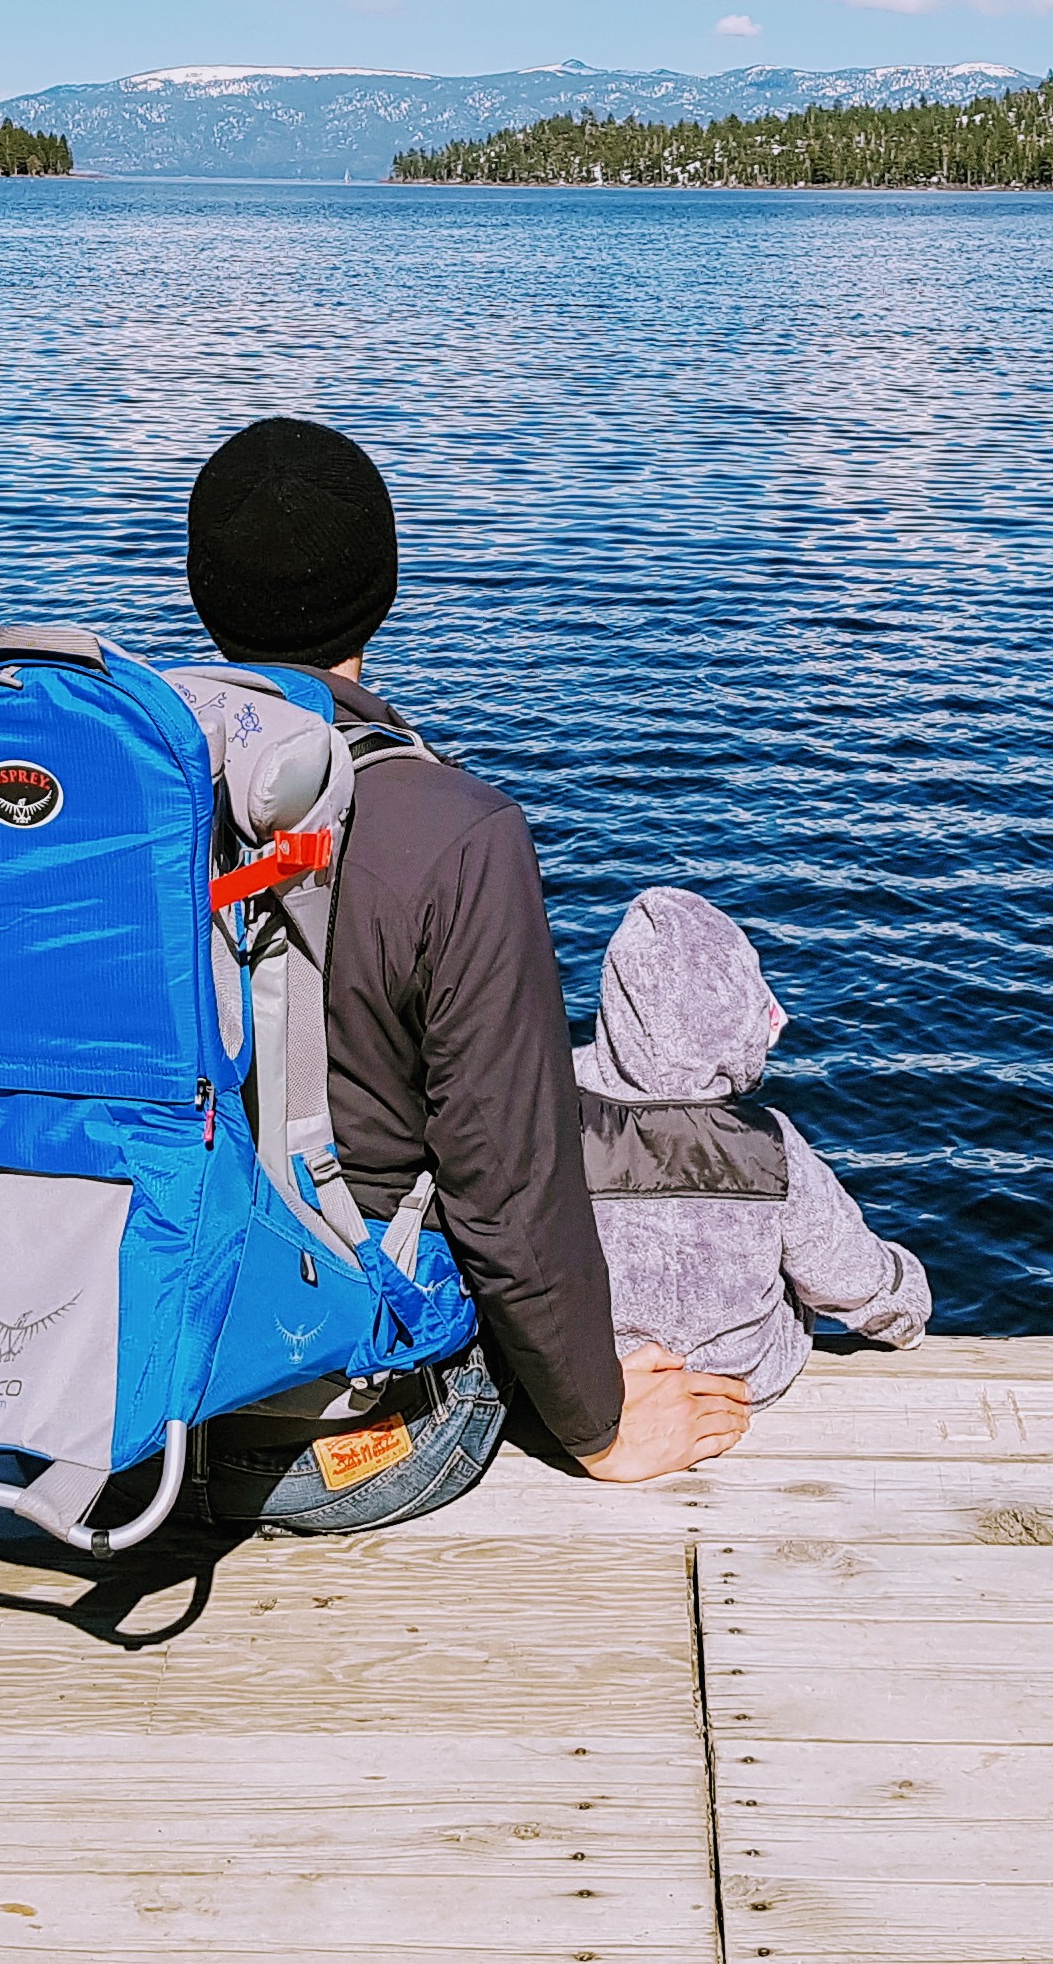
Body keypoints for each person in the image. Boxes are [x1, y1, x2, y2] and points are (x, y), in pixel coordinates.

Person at [179, 416, 751, 1531]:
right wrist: (599, 1427)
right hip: (345, 1439)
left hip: (91, 1410)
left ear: (204, 593)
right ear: (383, 588)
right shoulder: (456, 831)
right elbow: (510, 1187)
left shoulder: (103, 801)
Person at [578, 886, 930, 1400]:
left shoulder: (549, 1117)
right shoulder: (768, 1145)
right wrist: (907, 1300)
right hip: (739, 1385)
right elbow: (846, 1277)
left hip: (603, 1385)